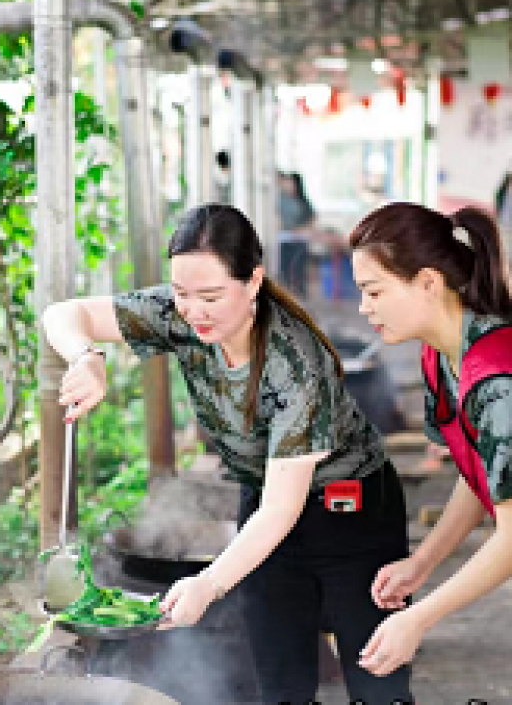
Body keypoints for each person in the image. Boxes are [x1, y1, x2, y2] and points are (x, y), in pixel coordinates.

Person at [43, 203, 414, 704]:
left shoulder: (294, 363)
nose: (193, 311)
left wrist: (209, 584)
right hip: (265, 501)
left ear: (253, 281)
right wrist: (87, 358)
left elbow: (285, 509)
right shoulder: (181, 317)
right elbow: (64, 314)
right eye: (181, 294)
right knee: (279, 682)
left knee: (376, 681)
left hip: (349, 511)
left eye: (211, 296)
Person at [350, 202, 512, 679]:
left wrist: (419, 617)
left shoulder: (497, 378)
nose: (364, 307)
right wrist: (422, 562)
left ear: (427, 282)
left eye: (374, 291)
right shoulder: (442, 356)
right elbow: (480, 471)